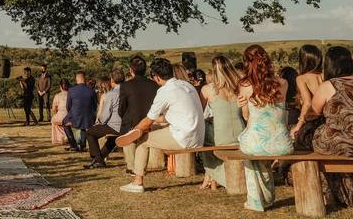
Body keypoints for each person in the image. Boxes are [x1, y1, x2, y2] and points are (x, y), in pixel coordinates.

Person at [116, 58, 204, 194]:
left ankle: (137, 182)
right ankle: (137, 178)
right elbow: (171, 116)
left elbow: (148, 121)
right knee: (149, 132)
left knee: (143, 140)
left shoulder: (165, 91)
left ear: (156, 77)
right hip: (198, 136)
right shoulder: (186, 85)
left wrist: (135, 130)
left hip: (184, 137)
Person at [310, 45, 353, 206]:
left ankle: (334, 193)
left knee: (319, 135)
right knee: (339, 139)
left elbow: (315, 111)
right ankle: (346, 193)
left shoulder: (329, 85)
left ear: (329, 65)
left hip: (340, 144)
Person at [235, 44, 293, 212]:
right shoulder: (283, 83)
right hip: (282, 143)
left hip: (257, 143)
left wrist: (242, 105)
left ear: (247, 63)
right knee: (259, 148)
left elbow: (246, 117)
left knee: (250, 146)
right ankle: (267, 197)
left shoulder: (245, 85)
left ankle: (257, 201)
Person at [199, 55, 245, 190]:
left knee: (205, 139)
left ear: (214, 71)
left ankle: (216, 176)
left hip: (221, 138)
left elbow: (199, 114)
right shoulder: (240, 87)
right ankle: (212, 178)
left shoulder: (207, 89)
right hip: (241, 135)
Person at [117, 56, 159, 173]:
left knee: (129, 141)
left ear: (131, 70)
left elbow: (121, 107)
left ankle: (131, 167)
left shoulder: (126, 86)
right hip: (149, 120)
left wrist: (124, 116)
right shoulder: (154, 85)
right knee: (143, 143)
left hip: (131, 121)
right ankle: (141, 167)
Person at [84, 68, 125, 169]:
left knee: (90, 132)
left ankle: (98, 159)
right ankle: (98, 159)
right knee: (112, 139)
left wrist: (99, 122)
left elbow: (106, 114)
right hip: (126, 125)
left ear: (112, 80)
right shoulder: (128, 92)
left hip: (115, 125)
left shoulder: (111, 94)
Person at [291, 44, 323, 148]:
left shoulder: (301, 78)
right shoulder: (324, 76)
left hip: (312, 122)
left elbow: (308, 103)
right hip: (325, 121)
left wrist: (298, 126)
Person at [62, 71, 97, 153]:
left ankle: (73, 144)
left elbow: (68, 106)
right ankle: (82, 144)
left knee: (64, 122)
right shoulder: (91, 90)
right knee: (84, 124)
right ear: (85, 79)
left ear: (77, 79)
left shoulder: (71, 90)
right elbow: (94, 106)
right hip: (88, 118)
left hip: (75, 117)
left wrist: (72, 115)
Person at [50, 79, 70, 145]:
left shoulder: (57, 96)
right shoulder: (71, 95)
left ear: (60, 86)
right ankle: (66, 136)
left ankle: (59, 138)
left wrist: (55, 114)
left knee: (54, 120)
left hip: (61, 116)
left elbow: (54, 109)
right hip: (70, 116)